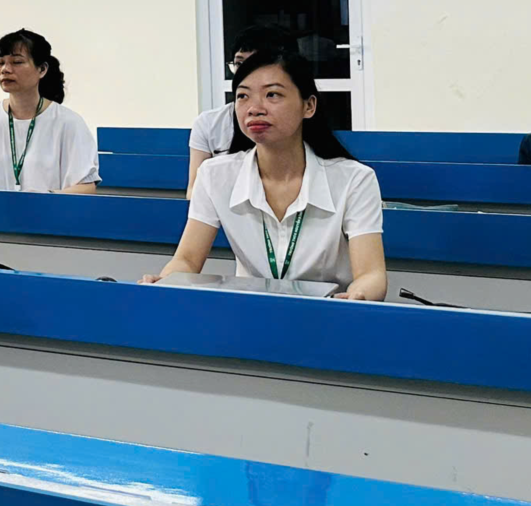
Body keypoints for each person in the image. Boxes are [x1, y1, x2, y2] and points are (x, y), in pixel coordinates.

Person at [146, 49, 387, 300]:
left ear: (308, 106)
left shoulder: (354, 180)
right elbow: (186, 259)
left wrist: (358, 296)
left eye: (272, 94)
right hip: (250, 310)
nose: (254, 108)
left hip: (328, 312)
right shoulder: (214, 175)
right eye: (243, 96)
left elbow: (371, 274)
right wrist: (166, 281)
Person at [0, 29, 98, 193]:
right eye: (1, 63)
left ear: (42, 69)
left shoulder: (68, 123)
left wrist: (44, 199)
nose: (5, 69)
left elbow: (87, 186)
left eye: (17, 62)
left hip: (49, 209)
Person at [188, 25, 297, 189]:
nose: (245, 72)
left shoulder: (291, 120)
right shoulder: (209, 122)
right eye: (239, 63)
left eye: (256, 63)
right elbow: (194, 190)